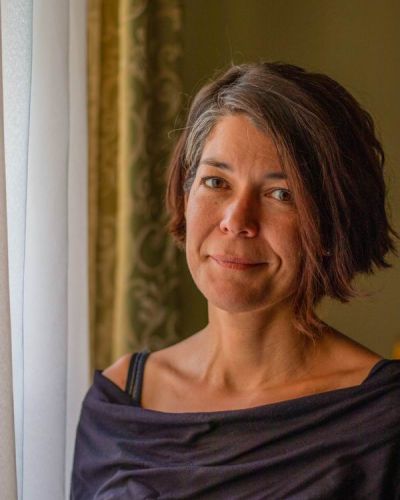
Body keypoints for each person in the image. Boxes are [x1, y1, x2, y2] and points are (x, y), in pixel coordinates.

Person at [71, 62, 400, 499]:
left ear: (331, 224)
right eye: (216, 182)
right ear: (185, 197)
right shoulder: (120, 400)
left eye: (280, 194)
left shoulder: (384, 417)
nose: (237, 219)